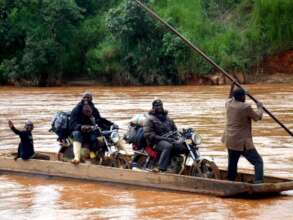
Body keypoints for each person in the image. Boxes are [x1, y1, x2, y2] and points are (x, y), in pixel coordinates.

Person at [222, 83, 264, 183]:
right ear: (241, 97)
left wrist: (232, 86)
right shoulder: (245, 107)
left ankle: (230, 182)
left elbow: (229, 97)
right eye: (244, 96)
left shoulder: (228, 104)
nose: (245, 97)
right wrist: (260, 107)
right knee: (258, 162)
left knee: (232, 164)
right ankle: (259, 183)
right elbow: (257, 117)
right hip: (242, 142)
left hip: (230, 140)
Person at [69, 92, 115, 164]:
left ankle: (98, 155)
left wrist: (111, 124)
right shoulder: (76, 110)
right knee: (77, 134)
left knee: (100, 137)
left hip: (91, 131)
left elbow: (99, 120)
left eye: (88, 97)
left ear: (91, 99)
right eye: (85, 97)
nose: (86, 99)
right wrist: (81, 127)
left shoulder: (94, 109)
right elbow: (72, 124)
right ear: (82, 98)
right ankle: (76, 158)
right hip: (79, 131)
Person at [144, 99, 188, 172]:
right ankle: (160, 168)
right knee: (168, 146)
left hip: (169, 140)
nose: (159, 107)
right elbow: (149, 135)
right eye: (157, 105)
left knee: (184, 147)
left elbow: (175, 130)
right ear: (153, 107)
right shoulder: (149, 119)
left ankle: (180, 166)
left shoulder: (168, 119)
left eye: (160, 105)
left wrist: (181, 137)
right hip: (155, 142)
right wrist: (165, 139)